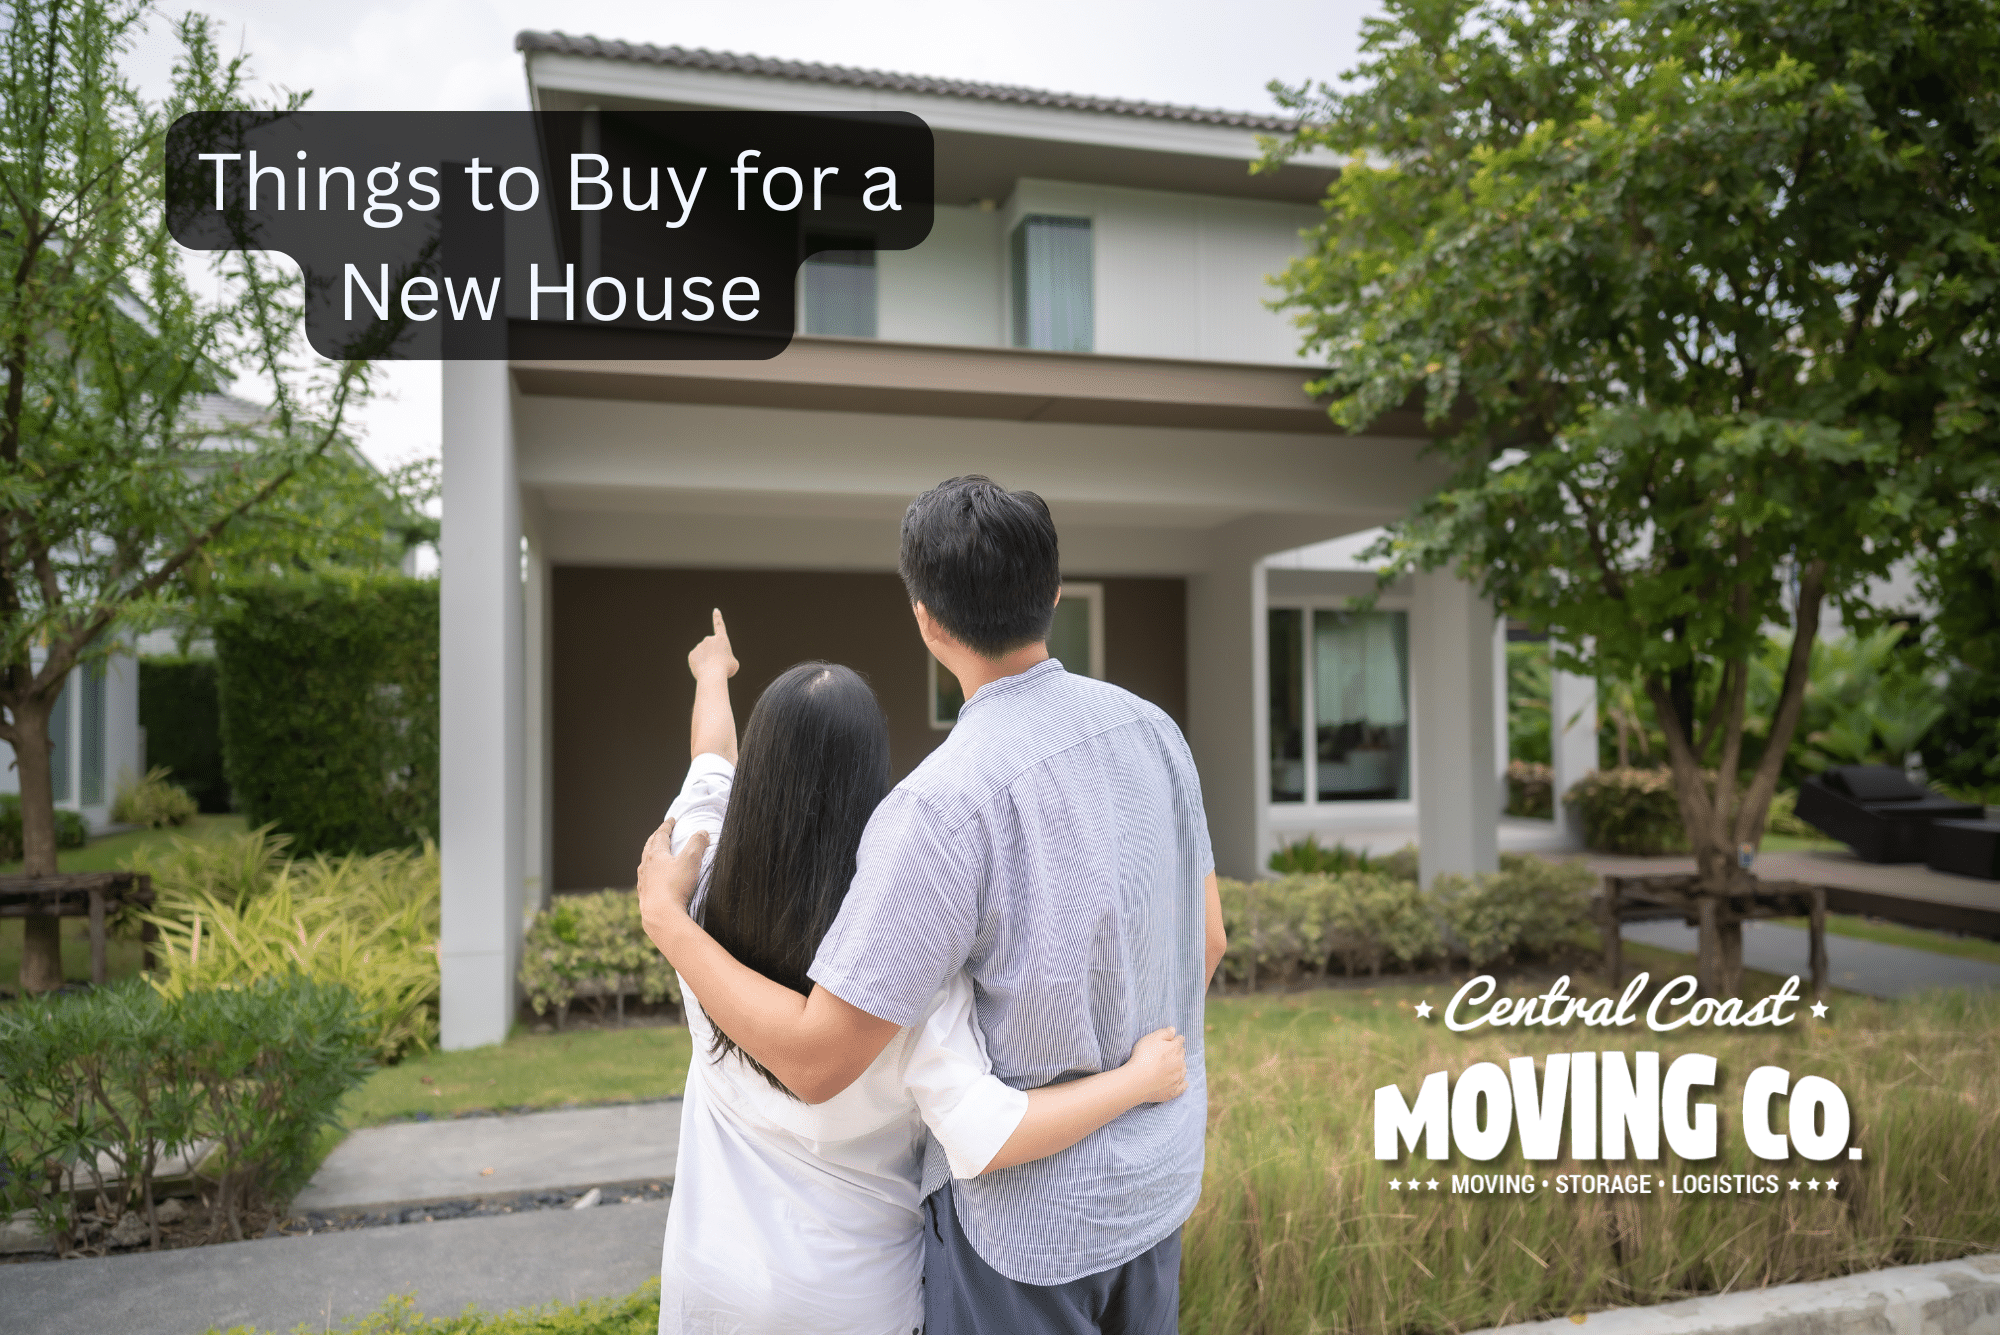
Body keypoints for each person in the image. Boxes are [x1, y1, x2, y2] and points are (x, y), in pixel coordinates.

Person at [640, 477, 1226, 1335]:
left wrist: (667, 921)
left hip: (1030, 1234)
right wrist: (1138, 1071)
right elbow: (1207, 940)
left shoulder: (938, 807)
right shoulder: (1156, 732)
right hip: (1156, 1186)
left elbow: (819, 1054)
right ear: (1054, 591)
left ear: (926, 618)